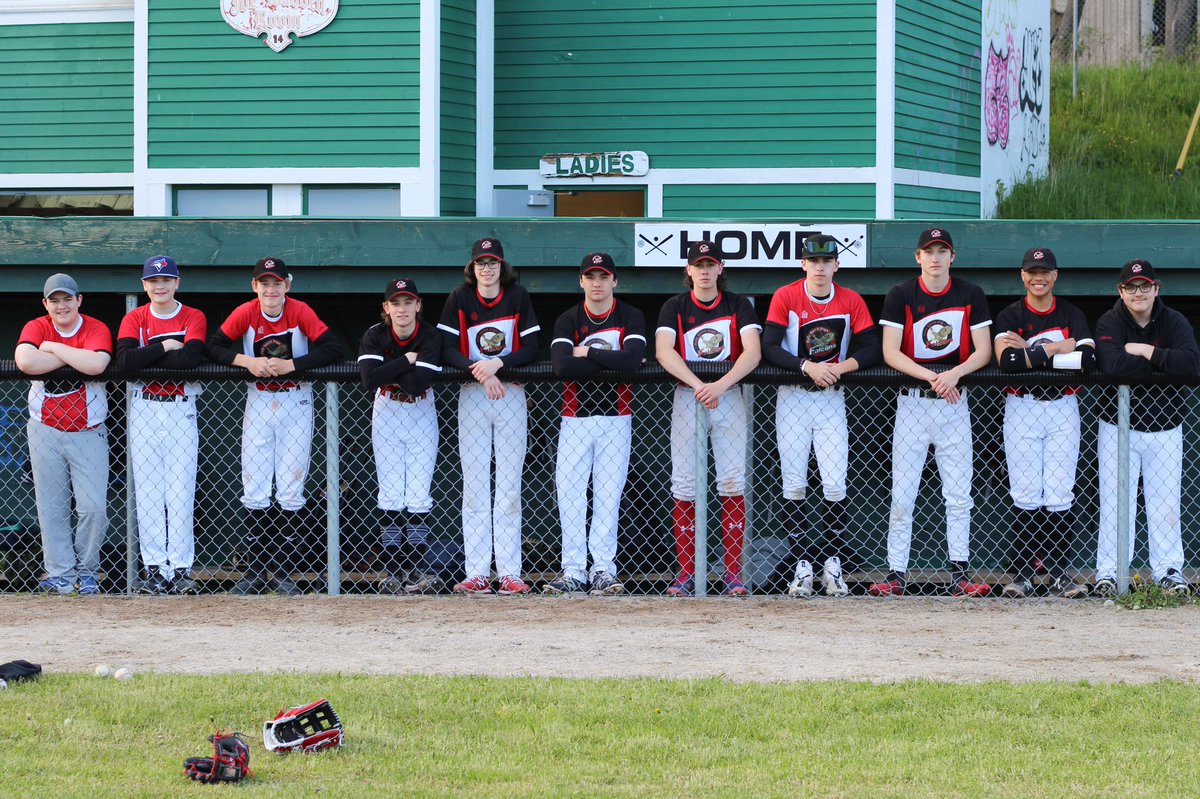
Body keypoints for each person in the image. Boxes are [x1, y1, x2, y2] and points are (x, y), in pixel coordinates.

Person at [207, 257, 343, 595]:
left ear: (287, 285)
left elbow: (333, 348)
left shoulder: (299, 311)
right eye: (264, 283)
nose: (271, 289)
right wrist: (247, 361)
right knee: (254, 485)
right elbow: (212, 346)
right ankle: (255, 571)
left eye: (277, 283)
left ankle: (282, 571)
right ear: (255, 286)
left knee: (290, 486)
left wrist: (292, 365)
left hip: (296, 400)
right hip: (259, 400)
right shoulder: (246, 312)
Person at [870, 228, 993, 598]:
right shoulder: (901, 294)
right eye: (929, 251)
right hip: (912, 401)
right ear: (917, 256)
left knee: (958, 494)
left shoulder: (970, 293)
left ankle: (959, 573)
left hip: (955, 402)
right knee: (903, 494)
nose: (936, 257)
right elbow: (890, 351)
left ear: (952, 256)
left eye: (942, 251)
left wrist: (953, 374)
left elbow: (983, 350)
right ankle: (896, 574)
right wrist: (933, 376)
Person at [762, 234, 881, 598]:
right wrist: (806, 365)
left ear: (836, 265)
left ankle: (832, 565)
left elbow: (875, 346)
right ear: (803, 264)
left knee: (834, 483)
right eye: (813, 261)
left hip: (831, 395)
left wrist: (841, 366)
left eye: (826, 261)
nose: (819, 267)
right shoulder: (787, 295)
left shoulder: (850, 299)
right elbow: (768, 346)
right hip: (795, 396)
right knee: (794, 484)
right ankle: (801, 568)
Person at [656, 240, 762, 597]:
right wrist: (700, 384)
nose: (704, 270)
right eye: (698, 265)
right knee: (684, 484)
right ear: (689, 270)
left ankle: (732, 575)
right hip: (689, 396)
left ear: (720, 269)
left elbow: (753, 353)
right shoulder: (675, 305)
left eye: (710, 264)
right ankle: (686, 575)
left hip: (729, 396)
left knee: (731, 482)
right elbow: (663, 352)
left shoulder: (737, 305)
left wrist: (720, 384)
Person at [438, 238, 540, 595]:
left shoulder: (517, 295)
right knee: (476, 485)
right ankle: (478, 571)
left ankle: (510, 571)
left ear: (501, 265)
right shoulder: (460, 297)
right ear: (473, 267)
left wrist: (498, 363)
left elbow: (532, 346)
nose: (486, 268)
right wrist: (479, 369)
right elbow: (445, 348)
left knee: (509, 486)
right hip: (473, 394)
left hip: (510, 392)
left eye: (492, 262)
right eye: (481, 262)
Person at [1093, 259, 1199, 596]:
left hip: (1166, 427)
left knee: (1165, 504)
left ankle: (1168, 572)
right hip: (1116, 427)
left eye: (1144, 286)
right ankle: (1109, 573)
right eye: (1131, 287)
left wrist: (1143, 350)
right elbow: (1112, 366)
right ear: (1120, 291)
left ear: (1156, 288)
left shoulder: (1174, 320)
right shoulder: (1110, 320)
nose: (1138, 293)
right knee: (1114, 502)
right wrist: (1162, 359)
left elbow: (1191, 365)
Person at [993, 247, 1094, 599]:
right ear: (1023, 276)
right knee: (1024, 491)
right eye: (1032, 271)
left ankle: (1059, 572)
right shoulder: (1009, 314)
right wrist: (1054, 348)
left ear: (1055, 275)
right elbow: (1007, 364)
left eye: (1045, 272)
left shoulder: (1070, 312)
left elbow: (1087, 361)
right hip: (1022, 404)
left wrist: (1030, 352)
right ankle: (1021, 573)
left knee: (1059, 490)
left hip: (1063, 404)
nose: (1038, 277)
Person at [544, 253, 647, 596]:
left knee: (608, 497)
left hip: (617, 418)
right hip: (575, 419)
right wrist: (610, 362)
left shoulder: (629, 315)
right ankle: (573, 570)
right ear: (581, 281)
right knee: (570, 496)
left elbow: (631, 362)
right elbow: (561, 367)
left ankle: (603, 569)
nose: (597, 283)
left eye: (603, 277)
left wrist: (586, 354)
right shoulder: (568, 319)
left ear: (614, 280)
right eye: (590, 277)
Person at [114, 255, 208, 595]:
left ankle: (180, 569)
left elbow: (191, 359)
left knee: (180, 492)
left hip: (181, 408)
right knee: (150, 493)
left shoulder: (192, 315)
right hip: (144, 409)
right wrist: (166, 345)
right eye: (153, 281)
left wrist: (148, 354)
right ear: (144, 285)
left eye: (166, 279)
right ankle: (155, 569)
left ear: (177, 282)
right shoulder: (135, 317)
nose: (160, 285)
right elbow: (124, 362)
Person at [15, 273, 113, 595]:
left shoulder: (94, 327)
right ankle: (60, 575)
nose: (61, 306)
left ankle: (87, 571)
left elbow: (97, 364)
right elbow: (26, 360)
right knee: (52, 506)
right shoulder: (36, 326)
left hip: (89, 430)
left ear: (79, 300)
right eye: (54, 301)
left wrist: (54, 349)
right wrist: (73, 357)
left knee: (93, 508)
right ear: (45, 304)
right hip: (44, 429)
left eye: (67, 299)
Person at [358, 278, 444, 595]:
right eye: (396, 303)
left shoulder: (430, 335)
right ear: (386, 308)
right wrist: (406, 359)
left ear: (418, 305)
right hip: (387, 410)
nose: (402, 309)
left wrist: (391, 367)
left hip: (421, 409)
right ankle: (393, 571)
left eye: (408, 302)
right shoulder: (375, 334)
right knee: (392, 492)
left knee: (419, 492)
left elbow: (417, 385)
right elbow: (369, 380)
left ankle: (418, 569)